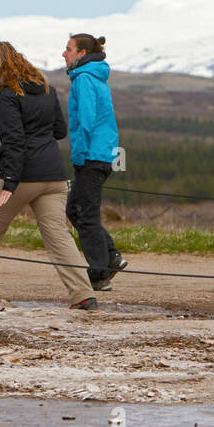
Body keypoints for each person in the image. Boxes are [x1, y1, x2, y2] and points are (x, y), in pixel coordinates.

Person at [0, 41, 97, 310]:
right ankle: (83, 295)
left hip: (20, 178)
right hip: (54, 178)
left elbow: (13, 142)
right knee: (59, 237)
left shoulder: (6, 96)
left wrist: (9, 184)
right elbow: (59, 131)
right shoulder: (48, 90)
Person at [62, 33, 128, 291]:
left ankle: (100, 274)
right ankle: (111, 256)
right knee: (74, 209)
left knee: (85, 214)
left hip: (91, 156)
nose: (63, 54)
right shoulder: (94, 77)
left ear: (81, 54)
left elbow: (86, 121)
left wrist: (78, 155)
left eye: (68, 49)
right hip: (102, 155)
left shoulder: (85, 79)